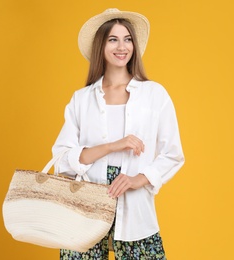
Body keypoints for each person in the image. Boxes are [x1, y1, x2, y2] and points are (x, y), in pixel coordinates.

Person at [52, 8, 184, 259]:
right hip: (84, 210)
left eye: (127, 39)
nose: (122, 46)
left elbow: (173, 154)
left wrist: (138, 179)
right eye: (113, 39)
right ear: (101, 46)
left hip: (135, 207)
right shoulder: (82, 99)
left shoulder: (154, 95)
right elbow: (62, 160)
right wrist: (113, 145)